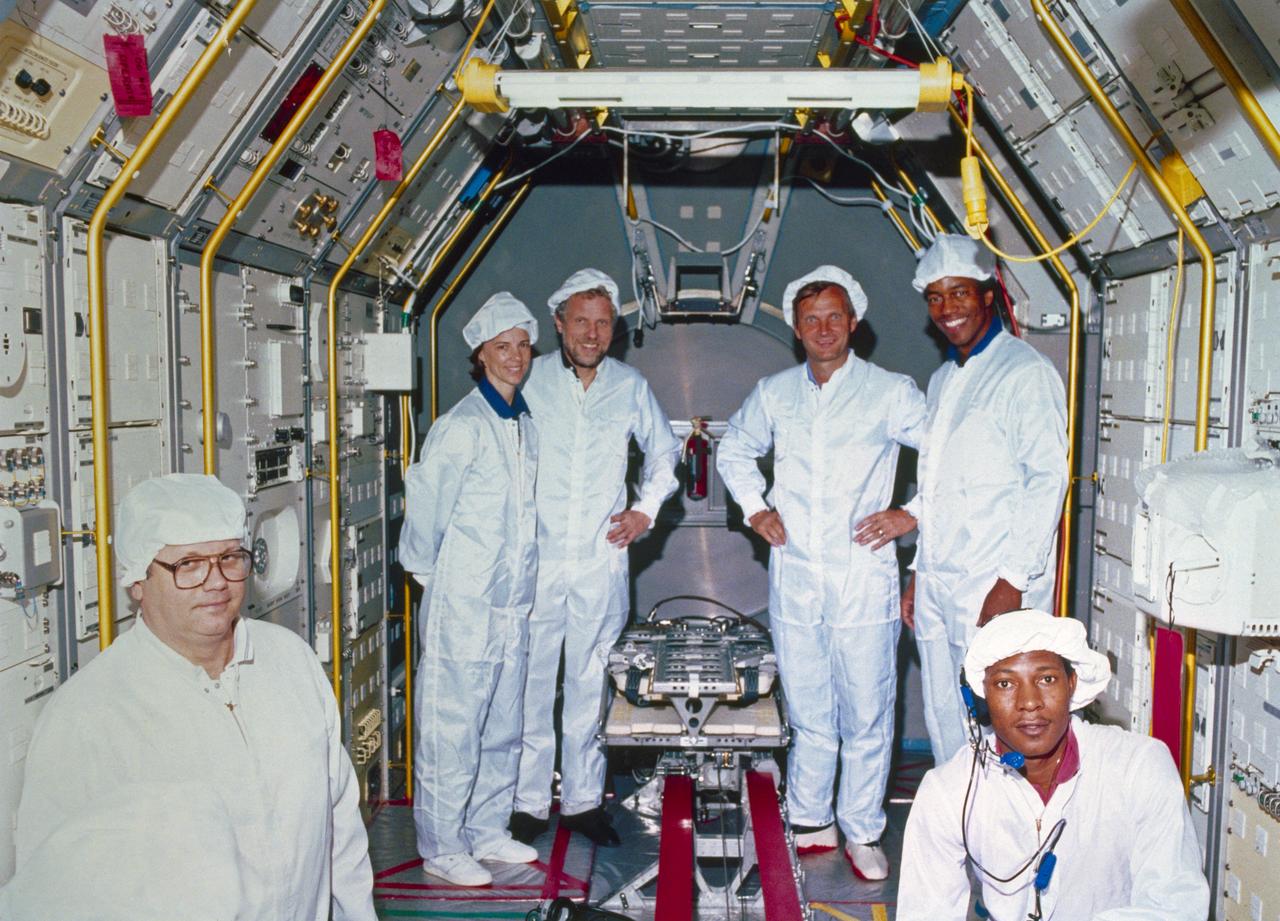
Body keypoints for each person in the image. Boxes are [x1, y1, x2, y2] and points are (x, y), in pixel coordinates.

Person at [9, 473, 376, 921]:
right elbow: (51, 899)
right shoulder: (88, 714)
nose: (216, 581)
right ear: (137, 580)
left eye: (229, 558)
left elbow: (341, 831)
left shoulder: (291, 661)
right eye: (189, 564)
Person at [716, 265, 927, 880]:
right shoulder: (776, 392)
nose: (824, 328)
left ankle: (862, 829)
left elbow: (946, 455)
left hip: (863, 573)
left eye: (835, 316)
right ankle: (811, 820)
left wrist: (909, 513)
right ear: (797, 329)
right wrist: (756, 509)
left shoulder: (890, 391)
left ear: (853, 322)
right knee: (809, 709)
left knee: (866, 712)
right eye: (811, 319)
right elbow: (734, 448)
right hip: (797, 573)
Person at [511, 268, 680, 848]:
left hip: (599, 558)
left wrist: (644, 512)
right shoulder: (529, 380)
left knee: (590, 682)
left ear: (613, 329)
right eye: (581, 321)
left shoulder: (629, 386)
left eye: (603, 323)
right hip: (538, 558)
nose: (591, 333)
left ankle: (582, 801)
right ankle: (528, 801)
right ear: (558, 324)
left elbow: (664, 452)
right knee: (532, 682)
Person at [898, 608, 1210, 920]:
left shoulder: (1139, 766)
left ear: (1072, 684)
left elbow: (1175, 906)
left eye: (1046, 679)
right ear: (981, 699)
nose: (1029, 702)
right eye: (1005, 684)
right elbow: (925, 913)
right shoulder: (948, 789)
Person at [893, 234, 1069, 764]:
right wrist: (919, 572)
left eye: (960, 293)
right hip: (941, 580)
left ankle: (1007, 818)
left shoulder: (1024, 372)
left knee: (1003, 721)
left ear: (987, 295)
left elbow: (1047, 480)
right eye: (936, 297)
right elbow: (937, 484)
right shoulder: (943, 378)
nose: (948, 308)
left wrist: (1011, 581)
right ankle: (959, 814)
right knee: (946, 715)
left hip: (994, 581)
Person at [400, 292, 541, 886]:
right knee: (452, 729)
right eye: (502, 347)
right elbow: (426, 512)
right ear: (481, 354)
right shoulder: (461, 427)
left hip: (510, 604)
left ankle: (486, 829)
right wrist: (435, 580)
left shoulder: (523, 423)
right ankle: (442, 844)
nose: (515, 356)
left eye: (523, 345)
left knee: (502, 724)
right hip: (463, 604)